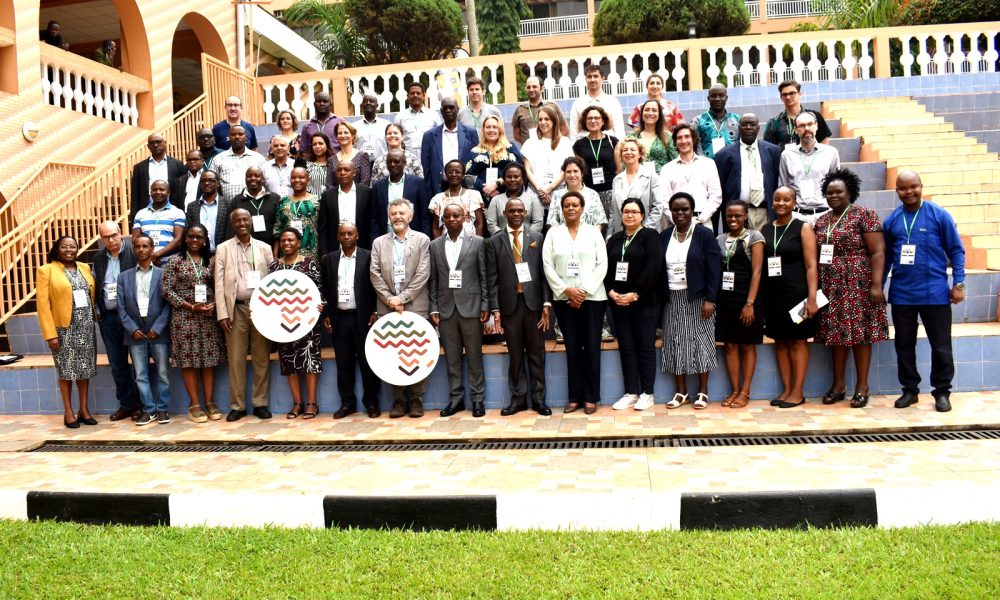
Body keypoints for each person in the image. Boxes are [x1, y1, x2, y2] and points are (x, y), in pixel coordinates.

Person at [884, 171, 966, 413]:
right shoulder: (892, 221)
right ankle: (910, 390)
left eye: (913, 187)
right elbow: (887, 257)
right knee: (904, 345)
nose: (909, 192)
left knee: (941, 346)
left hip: (935, 294)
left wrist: (959, 284)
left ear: (921, 186)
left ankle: (942, 392)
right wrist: (877, 285)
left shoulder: (939, 215)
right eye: (903, 188)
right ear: (896, 191)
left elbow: (957, 251)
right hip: (902, 294)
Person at [814, 168, 888, 409]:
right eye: (828, 192)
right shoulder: (822, 221)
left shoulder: (864, 215)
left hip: (858, 283)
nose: (833, 196)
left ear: (850, 193)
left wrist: (876, 285)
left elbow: (877, 252)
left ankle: (862, 386)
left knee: (860, 335)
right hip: (831, 285)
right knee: (836, 336)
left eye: (838, 192)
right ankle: (838, 385)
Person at [542, 191, 609, 414]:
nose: (571, 208)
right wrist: (566, 290)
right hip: (564, 299)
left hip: (592, 298)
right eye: (567, 205)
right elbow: (547, 266)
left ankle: (591, 397)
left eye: (575, 205)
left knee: (591, 347)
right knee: (572, 348)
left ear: (582, 208)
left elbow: (603, 264)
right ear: (562, 209)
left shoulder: (593, 232)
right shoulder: (553, 233)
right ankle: (574, 397)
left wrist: (583, 291)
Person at [486, 198, 553, 416]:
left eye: (520, 210)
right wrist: (495, 309)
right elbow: (492, 279)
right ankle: (518, 399)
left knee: (536, 354)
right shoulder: (494, 241)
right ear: (504, 213)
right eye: (511, 210)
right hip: (509, 306)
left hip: (533, 305)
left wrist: (545, 302)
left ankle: (539, 399)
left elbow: (543, 275)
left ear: (525, 213)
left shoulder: (537, 238)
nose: (516, 214)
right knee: (515, 355)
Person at [370, 198, 432, 418]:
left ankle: (416, 400)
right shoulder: (379, 243)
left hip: (415, 306)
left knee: (417, 353)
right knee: (392, 354)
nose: (397, 216)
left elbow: (423, 274)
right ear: (389, 216)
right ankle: (398, 401)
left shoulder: (423, 240)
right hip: (387, 308)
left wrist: (402, 298)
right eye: (394, 213)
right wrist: (390, 299)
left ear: (410, 217)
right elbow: (374, 274)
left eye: (401, 213)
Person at [760, 186, 820, 409]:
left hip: (797, 293)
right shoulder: (766, 229)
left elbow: (812, 265)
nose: (781, 203)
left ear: (794, 202)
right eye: (777, 199)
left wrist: (812, 298)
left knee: (797, 341)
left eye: (786, 200)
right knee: (781, 342)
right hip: (772, 296)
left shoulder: (803, 228)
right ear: (772, 202)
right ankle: (786, 389)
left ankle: (798, 391)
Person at [660, 192, 721, 410]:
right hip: (672, 297)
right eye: (676, 209)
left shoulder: (704, 234)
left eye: (685, 209)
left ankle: (703, 391)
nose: (680, 213)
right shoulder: (665, 235)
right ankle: (681, 391)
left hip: (698, 297)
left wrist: (710, 299)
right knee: (675, 342)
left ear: (692, 210)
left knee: (701, 342)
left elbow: (715, 269)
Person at [429, 204, 489, 417]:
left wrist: (485, 305)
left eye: (456, 215)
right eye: (448, 216)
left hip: (471, 307)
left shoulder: (478, 242)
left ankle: (478, 400)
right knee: (452, 359)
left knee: (475, 357)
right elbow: (434, 280)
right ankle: (456, 400)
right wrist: (434, 307)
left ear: (465, 217)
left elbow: (484, 276)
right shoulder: (435, 246)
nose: (452, 219)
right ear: (443, 220)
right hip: (446, 309)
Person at [215, 209, 274, 421]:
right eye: (237, 220)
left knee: (261, 358)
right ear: (232, 224)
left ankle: (260, 403)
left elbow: (273, 280)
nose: (242, 223)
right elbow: (219, 283)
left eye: (245, 219)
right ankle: (237, 406)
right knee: (236, 359)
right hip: (235, 310)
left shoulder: (265, 248)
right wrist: (222, 313)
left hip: (260, 309)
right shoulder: (223, 249)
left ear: (251, 222)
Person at [161, 224, 225, 423]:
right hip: (184, 319)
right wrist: (191, 306)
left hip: (208, 317)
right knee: (188, 361)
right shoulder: (174, 262)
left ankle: (210, 402)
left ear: (205, 240)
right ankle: (194, 404)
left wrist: (214, 304)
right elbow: (167, 291)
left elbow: (219, 285)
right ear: (185, 239)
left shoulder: (212, 262)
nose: (195, 240)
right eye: (191, 237)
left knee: (209, 360)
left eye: (199, 237)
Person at [605, 199, 664, 411]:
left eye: (634, 212)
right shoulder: (614, 240)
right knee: (627, 348)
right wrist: (611, 292)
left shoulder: (650, 236)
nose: (630, 215)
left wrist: (635, 294)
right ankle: (631, 392)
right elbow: (605, 268)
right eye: (626, 212)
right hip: (618, 303)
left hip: (644, 303)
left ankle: (648, 393)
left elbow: (653, 267)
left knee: (645, 347)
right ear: (621, 214)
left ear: (642, 215)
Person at [321, 222, 381, 418]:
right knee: (343, 364)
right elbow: (326, 290)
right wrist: (327, 314)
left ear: (357, 235)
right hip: (340, 318)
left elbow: (375, 286)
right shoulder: (328, 259)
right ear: (338, 237)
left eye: (350, 233)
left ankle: (371, 402)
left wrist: (374, 309)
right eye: (343, 234)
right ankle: (347, 404)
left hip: (363, 317)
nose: (346, 237)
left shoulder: (369, 256)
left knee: (367, 362)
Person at [37, 235, 96, 428]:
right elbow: (43, 305)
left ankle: (84, 410)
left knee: (84, 369)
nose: (69, 250)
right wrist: (50, 334)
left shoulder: (84, 267)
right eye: (64, 246)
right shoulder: (46, 270)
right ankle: (68, 411)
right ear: (57, 249)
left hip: (86, 327)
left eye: (73, 246)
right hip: (63, 329)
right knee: (66, 371)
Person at [270, 229, 325, 419]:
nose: (286, 243)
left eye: (291, 240)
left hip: (307, 321)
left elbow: (319, 290)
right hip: (282, 323)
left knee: (309, 360)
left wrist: (321, 306)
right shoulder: (274, 267)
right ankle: (297, 403)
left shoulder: (310, 263)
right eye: (283, 240)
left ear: (299, 242)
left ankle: (311, 402)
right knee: (289, 361)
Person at [117, 234, 172, 426]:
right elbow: (121, 307)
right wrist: (132, 329)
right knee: (141, 374)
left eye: (145, 246)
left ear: (152, 248)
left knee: (163, 373)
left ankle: (163, 409)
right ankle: (149, 410)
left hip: (158, 331)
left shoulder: (163, 273)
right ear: (134, 249)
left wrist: (158, 327)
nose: (141, 249)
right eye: (137, 246)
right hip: (135, 333)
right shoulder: (124, 277)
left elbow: (168, 304)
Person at [715, 202, 764, 409]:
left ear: (746, 216)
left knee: (746, 344)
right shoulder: (719, 240)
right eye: (729, 216)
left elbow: (757, 272)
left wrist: (750, 303)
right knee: (730, 345)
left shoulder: (754, 237)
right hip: (726, 300)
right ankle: (734, 389)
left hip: (747, 299)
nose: (733, 219)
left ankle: (745, 391)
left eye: (737, 216)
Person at [93, 221, 140, 421]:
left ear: (121, 233)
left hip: (132, 318)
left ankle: (140, 405)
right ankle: (126, 405)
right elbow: (96, 284)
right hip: (109, 319)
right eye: (106, 237)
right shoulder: (98, 258)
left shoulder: (134, 253)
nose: (110, 240)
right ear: (101, 238)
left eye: (114, 235)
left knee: (139, 364)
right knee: (117, 364)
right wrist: (98, 311)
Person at [714, 113, 782, 231]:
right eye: (744, 124)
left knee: (766, 248)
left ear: (758, 127)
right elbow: (720, 189)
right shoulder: (723, 155)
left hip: (766, 212)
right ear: (739, 127)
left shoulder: (773, 151)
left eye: (753, 124)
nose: (749, 127)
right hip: (738, 214)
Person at [778, 112, 841, 224]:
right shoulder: (787, 155)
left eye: (810, 124)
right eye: (801, 126)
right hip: (796, 216)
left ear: (816, 125)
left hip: (825, 215)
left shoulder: (831, 153)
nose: (806, 128)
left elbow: (837, 185)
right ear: (796, 130)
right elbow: (783, 187)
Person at [659, 123, 723, 232]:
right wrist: (676, 220)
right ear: (675, 142)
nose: (683, 141)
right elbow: (664, 200)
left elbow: (716, 195)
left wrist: (701, 218)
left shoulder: (708, 164)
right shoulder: (667, 169)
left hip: (703, 222)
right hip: (676, 224)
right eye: (679, 138)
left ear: (693, 139)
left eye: (687, 136)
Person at [421, 97, 479, 199]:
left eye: (451, 107)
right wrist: (430, 193)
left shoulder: (470, 133)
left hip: (465, 188)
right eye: (445, 108)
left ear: (457, 109)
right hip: (439, 189)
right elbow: (426, 169)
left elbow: (476, 160)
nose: (448, 110)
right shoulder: (429, 136)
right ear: (441, 111)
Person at [573, 106, 618, 227]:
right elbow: (579, 170)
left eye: (597, 118)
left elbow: (618, 169)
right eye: (589, 118)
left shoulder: (612, 141)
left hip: (609, 190)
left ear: (603, 121)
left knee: (610, 225)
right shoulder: (579, 144)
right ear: (585, 121)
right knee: (591, 225)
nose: (593, 121)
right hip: (588, 192)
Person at [521, 105, 574, 208]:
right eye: (540, 119)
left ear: (554, 121)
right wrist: (541, 190)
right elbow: (527, 170)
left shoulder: (565, 142)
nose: (543, 122)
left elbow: (566, 170)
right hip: (535, 194)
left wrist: (549, 188)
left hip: (559, 194)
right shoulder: (530, 143)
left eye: (547, 119)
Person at [371, 148, 430, 240]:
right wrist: (373, 241)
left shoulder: (418, 183)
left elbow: (424, 216)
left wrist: (424, 239)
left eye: (396, 161)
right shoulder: (378, 186)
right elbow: (374, 219)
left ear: (404, 163)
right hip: (385, 238)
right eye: (389, 162)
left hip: (413, 239)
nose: (392, 164)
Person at [610, 138, 664, 236]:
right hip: (622, 233)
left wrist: (643, 231)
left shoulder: (652, 177)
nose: (628, 152)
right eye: (625, 150)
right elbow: (613, 212)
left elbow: (658, 207)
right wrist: (609, 235)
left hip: (646, 234)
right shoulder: (616, 180)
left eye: (632, 149)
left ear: (640, 154)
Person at [319, 160, 375, 255]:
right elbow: (323, 227)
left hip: (362, 247)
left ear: (354, 173)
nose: (342, 173)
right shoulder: (327, 196)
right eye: (339, 170)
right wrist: (324, 253)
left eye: (346, 170)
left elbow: (371, 223)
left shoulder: (367, 193)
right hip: (334, 249)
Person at [465, 114, 523, 202]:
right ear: (483, 130)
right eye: (488, 127)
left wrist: (497, 184)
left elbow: (520, 170)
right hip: (481, 198)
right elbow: (467, 176)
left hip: (508, 197)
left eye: (495, 127)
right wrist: (485, 188)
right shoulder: (475, 151)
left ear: (499, 130)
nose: (491, 130)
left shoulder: (510, 147)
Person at [129, 133, 185, 219]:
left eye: (158, 142)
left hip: (172, 211)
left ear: (165, 143)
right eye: (152, 143)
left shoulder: (177, 164)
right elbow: (135, 194)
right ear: (148, 146)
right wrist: (134, 217)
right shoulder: (139, 167)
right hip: (146, 211)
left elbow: (182, 189)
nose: (155, 145)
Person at [763, 80, 832, 150]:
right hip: (785, 160)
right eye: (784, 94)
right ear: (781, 97)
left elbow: (825, 144)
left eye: (792, 93)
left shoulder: (815, 116)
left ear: (800, 94)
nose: (788, 97)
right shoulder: (773, 122)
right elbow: (768, 149)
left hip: (812, 159)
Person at [547, 157, 608, 233]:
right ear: (564, 175)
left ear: (582, 173)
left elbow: (600, 222)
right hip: (563, 241)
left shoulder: (593, 194)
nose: (572, 175)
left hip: (588, 240)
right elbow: (552, 223)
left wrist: (590, 238)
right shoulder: (557, 195)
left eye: (575, 171)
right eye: (568, 172)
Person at [273, 164, 321, 259]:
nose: (297, 180)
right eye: (293, 178)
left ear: (308, 181)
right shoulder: (283, 201)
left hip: (312, 252)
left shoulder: (318, 201)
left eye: (301, 177)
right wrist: (275, 254)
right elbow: (278, 229)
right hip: (287, 252)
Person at [131, 179, 185, 263]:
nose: (158, 192)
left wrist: (157, 254)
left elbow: (178, 240)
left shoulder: (178, 213)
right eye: (154, 190)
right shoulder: (140, 214)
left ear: (168, 193)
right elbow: (135, 239)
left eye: (162, 189)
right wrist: (149, 256)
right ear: (150, 192)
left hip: (170, 262)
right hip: (146, 261)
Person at [428, 160, 484, 239]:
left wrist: (478, 245)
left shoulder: (473, 195)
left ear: (463, 175)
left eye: (458, 172)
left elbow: (479, 223)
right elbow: (436, 228)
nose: (454, 174)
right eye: (450, 172)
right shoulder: (438, 199)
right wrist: (438, 248)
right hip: (446, 243)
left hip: (470, 243)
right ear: (446, 175)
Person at [228, 166, 280, 249]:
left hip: (270, 248)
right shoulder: (237, 201)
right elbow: (230, 228)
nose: (253, 178)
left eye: (257, 176)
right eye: (249, 176)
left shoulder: (275, 198)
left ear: (263, 179)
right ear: (245, 179)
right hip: (243, 248)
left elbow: (279, 226)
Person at [569, 64, 625, 140]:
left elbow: (619, 130)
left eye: (595, 76)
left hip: (607, 145)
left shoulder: (612, 102)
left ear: (602, 78)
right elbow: (573, 132)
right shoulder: (578, 103)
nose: (592, 80)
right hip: (585, 146)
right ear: (585, 79)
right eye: (589, 76)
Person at [485, 163, 544, 235]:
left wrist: (526, 238)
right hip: (502, 242)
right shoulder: (496, 200)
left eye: (516, 177)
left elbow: (538, 222)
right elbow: (491, 224)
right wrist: (504, 238)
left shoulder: (533, 199)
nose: (512, 179)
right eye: (509, 177)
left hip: (528, 242)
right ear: (504, 180)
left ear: (523, 179)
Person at [212, 125, 267, 202]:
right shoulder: (218, 159)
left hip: (254, 206)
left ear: (246, 137)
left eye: (240, 134)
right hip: (228, 208)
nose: (237, 137)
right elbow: (213, 184)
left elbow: (265, 183)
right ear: (228, 138)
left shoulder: (258, 159)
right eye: (233, 134)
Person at [511, 76, 567, 144]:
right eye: (528, 87)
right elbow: (516, 136)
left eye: (534, 86)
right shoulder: (519, 110)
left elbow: (565, 130)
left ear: (542, 88)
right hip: (528, 152)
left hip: (550, 151)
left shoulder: (553, 106)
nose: (531, 89)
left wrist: (553, 144)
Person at [628, 99, 678, 175]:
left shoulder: (668, 136)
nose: (650, 113)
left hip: (661, 181)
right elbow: (625, 164)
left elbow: (675, 160)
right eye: (647, 110)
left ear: (659, 115)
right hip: (639, 182)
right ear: (642, 114)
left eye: (654, 110)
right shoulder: (632, 137)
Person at [184, 170, 230, 252]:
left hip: (221, 253)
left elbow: (229, 232)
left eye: (211, 180)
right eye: (203, 181)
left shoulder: (227, 205)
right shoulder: (192, 206)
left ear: (218, 184)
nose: (206, 183)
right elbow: (188, 231)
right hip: (198, 254)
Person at [394, 82, 442, 158]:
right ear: (407, 96)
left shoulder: (433, 115)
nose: (415, 95)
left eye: (418, 93)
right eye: (412, 93)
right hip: (407, 159)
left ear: (423, 96)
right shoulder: (400, 116)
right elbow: (395, 139)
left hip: (429, 157)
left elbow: (440, 137)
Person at [693, 84, 740, 159]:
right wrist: (704, 162)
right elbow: (695, 145)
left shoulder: (737, 120)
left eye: (721, 95)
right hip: (707, 166)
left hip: (732, 165)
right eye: (713, 96)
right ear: (708, 98)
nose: (717, 99)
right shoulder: (698, 121)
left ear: (726, 98)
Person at [328, 120, 374, 189]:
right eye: (340, 133)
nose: (343, 135)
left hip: (358, 197)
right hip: (336, 198)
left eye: (346, 132)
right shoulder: (331, 160)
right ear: (337, 137)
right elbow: (329, 184)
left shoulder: (362, 156)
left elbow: (365, 182)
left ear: (353, 135)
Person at [354, 94, 391, 161]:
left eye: (371, 101)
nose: (368, 103)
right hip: (360, 165)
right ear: (362, 105)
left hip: (381, 164)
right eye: (365, 101)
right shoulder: (354, 126)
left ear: (377, 105)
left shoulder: (386, 124)